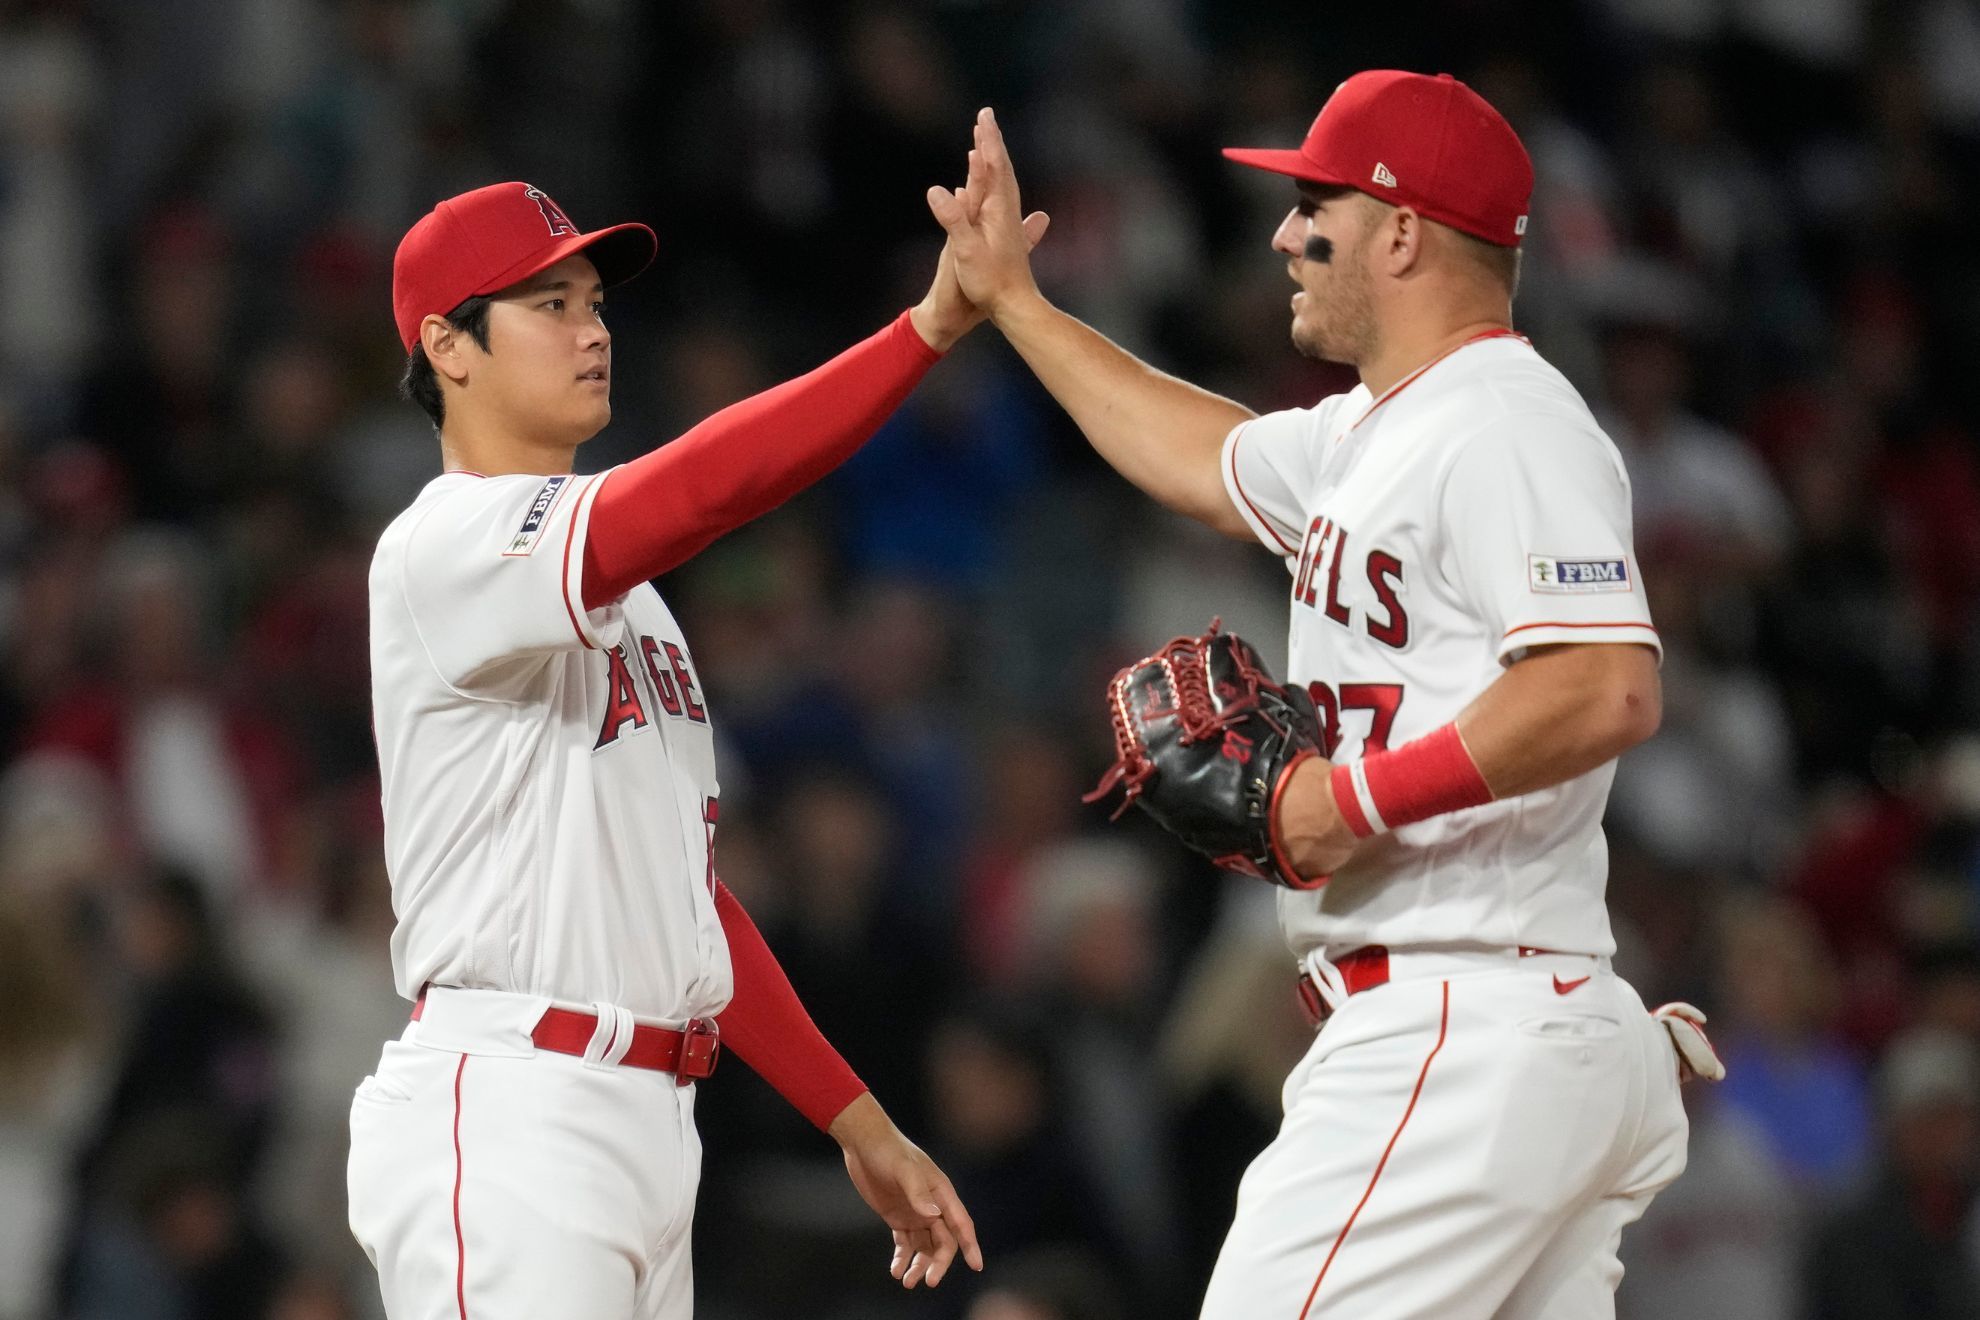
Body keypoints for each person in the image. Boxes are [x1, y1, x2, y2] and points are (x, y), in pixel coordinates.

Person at [927, 74, 1696, 1318]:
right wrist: (1015, 304)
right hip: (1505, 1025)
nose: (1285, 233)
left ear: (1402, 231)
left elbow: (1605, 686)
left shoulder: (1505, 421)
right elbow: (1199, 455)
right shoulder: (1375, 433)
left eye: (1315, 204)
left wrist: (1353, 800)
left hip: (1459, 1026)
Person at [348, 180, 1043, 1319]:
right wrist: (925, 331)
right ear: (446, 345)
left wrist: (854, 1120)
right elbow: (710, 484)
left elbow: (680, 896)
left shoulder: (635, 606)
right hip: (516, 1103)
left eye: (595, 301)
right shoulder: (445, 544)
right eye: (548, 302)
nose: (594, 328)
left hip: (646, 1123)